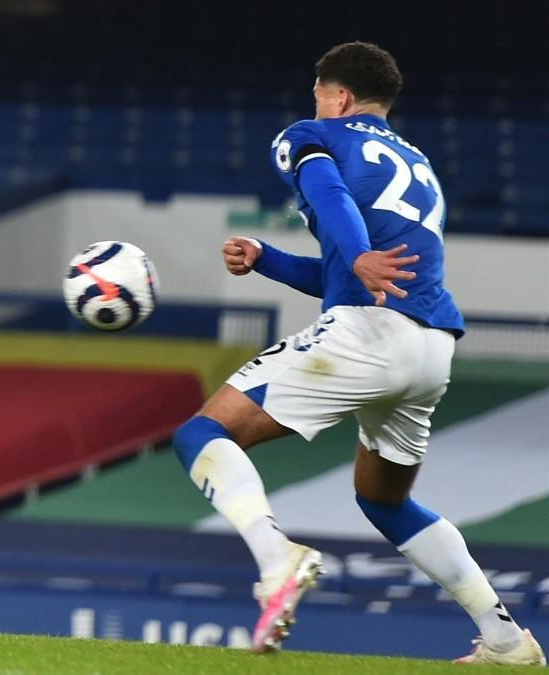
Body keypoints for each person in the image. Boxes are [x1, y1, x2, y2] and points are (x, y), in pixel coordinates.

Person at [173, 42, 544, 665]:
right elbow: (350, 271)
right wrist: (269, 259)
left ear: (337, 96)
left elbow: (330, 201)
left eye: (318, 92)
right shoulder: (415, 162)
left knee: (201, 434)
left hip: (369, 334)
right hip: (430, 350)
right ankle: (508, 640)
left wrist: (359, 251)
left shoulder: (311, 136)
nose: (313, 102)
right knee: (383, 499)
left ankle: (276, 561)